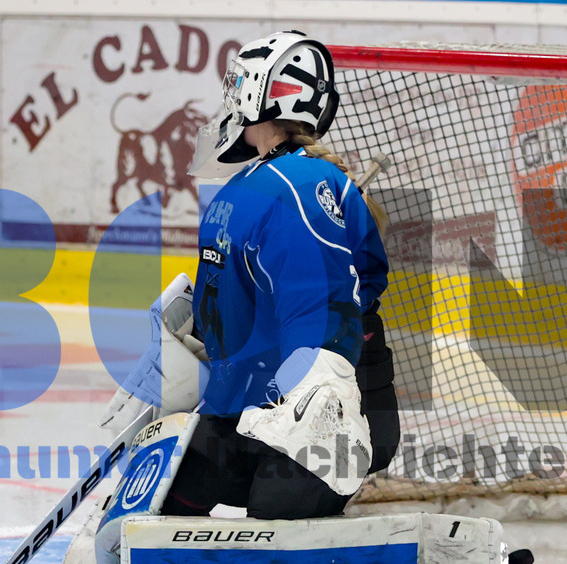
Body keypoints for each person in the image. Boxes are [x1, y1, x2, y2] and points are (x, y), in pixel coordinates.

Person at [158, 30, 399, 520]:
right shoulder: (244, 188)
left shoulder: (301, 185)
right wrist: (198, 340)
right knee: (171, 489)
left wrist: (315, 383)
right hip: (249, 406)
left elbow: (324, 302)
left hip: (323, 406)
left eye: (237, 87)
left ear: (261, 94)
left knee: (278, 515)